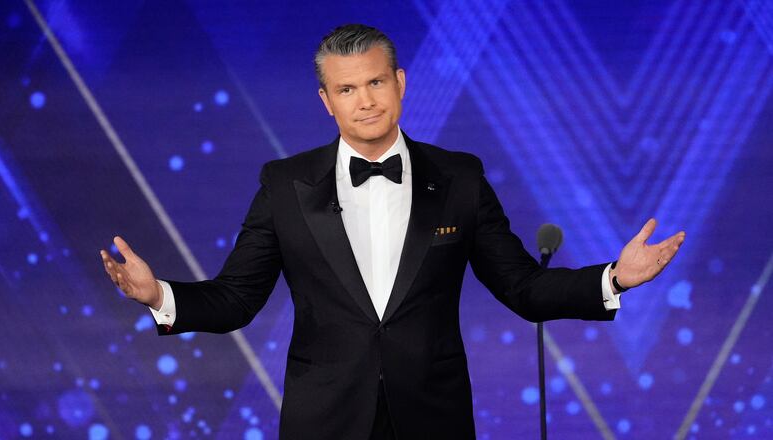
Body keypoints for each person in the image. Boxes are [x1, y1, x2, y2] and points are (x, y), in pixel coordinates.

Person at [101, 24, 685, 440]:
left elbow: (522, 287)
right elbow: (236, 298)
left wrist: (614, 277)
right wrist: (160, 295)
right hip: (324, 419)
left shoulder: (459, 178)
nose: (365, 102)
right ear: (326, 101)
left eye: (376, 83)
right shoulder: (285, 185)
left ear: (400, 82)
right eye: (346, 89)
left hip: (433, 416)